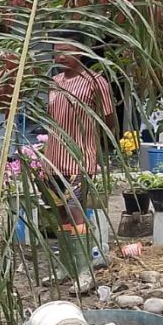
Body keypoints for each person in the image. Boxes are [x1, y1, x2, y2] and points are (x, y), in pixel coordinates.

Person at [42, 35, 116, 230]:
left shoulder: (95, 82)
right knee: (61, 215)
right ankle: (68, 254)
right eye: (57, 51)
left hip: (78, 161)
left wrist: (92, 144)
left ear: (81, 52)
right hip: (53, 162)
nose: (61, 57)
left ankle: (79, 257)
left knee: (76, 213)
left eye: (67, 51)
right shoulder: (54, 82)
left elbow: (109, 121)